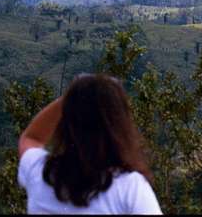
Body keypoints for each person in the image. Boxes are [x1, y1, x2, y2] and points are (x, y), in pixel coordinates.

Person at [17, 73, 162, 214]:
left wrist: (74, 96)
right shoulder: (130, 188)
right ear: (119, 127)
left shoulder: (40, 173)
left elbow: (32, 138)